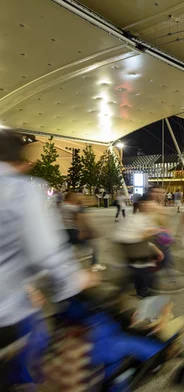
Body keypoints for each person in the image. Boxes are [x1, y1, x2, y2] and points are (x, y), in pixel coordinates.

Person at [0, 131, 98, 390]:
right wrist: (75, 279)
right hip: (7, 311)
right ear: (21, 161)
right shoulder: (22, 189)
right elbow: (45, 251)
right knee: (33, 353)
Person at [61, 192, 105, 272]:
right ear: (69, 198)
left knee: (67, 249)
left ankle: (65, 265)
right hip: (71, 231)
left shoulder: (61, 206)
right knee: (92, 246)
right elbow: (82, 211)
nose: (75, 199)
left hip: (63, 232)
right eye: (74, 197)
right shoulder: (68, 206)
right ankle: (94, 264)